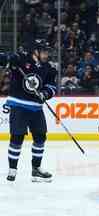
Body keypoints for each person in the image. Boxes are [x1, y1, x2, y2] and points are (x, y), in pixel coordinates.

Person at [0, 39, 57, 182]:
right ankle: (12, 170)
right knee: (17, 137)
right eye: (44, 51)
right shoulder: (21, 59)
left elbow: (52, 87)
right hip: (19, 105)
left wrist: (45, 93)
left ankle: (36, 169)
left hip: (36, 108)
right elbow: (4, 59)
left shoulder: (48, 68)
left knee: (40, 136)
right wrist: (8, 59)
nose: (46, 54)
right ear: (36, 51)